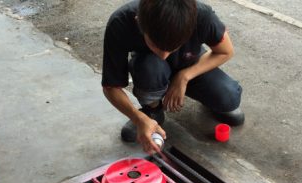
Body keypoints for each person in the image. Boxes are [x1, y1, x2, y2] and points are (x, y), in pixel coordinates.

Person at [102, 0, 244, 153]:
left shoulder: (201, 16)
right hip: (152, 71)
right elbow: (111, 87)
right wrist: (138, 118)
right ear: (139, 23)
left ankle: (198, 91)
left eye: (173, 47)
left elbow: (226, 51)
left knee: (229, 98)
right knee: (151, 64)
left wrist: (184, 76)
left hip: (189, 62)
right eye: (156, 45)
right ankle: (152, 110)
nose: (164, 55)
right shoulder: (120, 23)